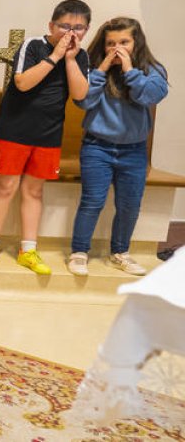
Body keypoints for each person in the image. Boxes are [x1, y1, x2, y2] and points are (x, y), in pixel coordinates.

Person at [0, 0, 91, 275]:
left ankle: (28, 250)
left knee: (34, 190)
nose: (70, 32)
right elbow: (23, 83)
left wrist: (70, 59)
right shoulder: (33, 45)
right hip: (14, 129)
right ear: (51, 25)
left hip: (49, 133)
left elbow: (80, 95)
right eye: (64, 26)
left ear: (86, 30)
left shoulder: (81, 56)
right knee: (6, 187)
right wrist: (55, 56)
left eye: (78, 28)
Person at [68, 17, 168, 277]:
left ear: (137, 43)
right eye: (111, 43)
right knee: (92, 201)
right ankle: (79, 252)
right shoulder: (93, 68)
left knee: (129, 204)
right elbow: (83, 101)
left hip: (134, 150)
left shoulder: (152, 70)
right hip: (97, 147)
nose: (117, 48)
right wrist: (102, 68)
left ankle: (120, 253)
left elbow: (150, 96)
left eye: (124, 42)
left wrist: (129, 70)